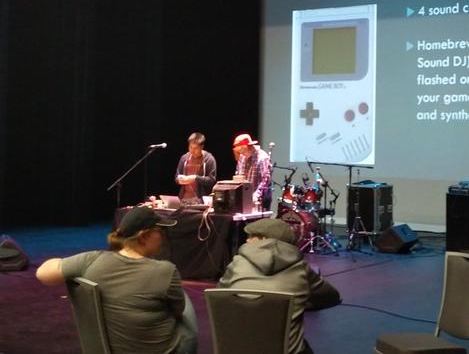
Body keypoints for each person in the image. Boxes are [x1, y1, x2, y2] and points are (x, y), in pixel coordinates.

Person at [36, 206, 198, 354]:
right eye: (161, 231)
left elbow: (43, 273)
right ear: (144, 236)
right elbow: (178, 311)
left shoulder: (91, 260)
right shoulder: (165, 271)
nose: (164, 236)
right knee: (183, 299)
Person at [217, 218, 341, 354]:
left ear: (264, 239)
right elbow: (331, 297)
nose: (247, 240)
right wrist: (301, 302)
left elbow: (219, 295)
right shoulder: (301, 268)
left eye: (251, 236)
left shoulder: (237, 264)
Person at [232, 133, 272, 210]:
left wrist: (256, 195)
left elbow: (265, 181)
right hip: (245, 199)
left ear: (247, 147)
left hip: (260, 200)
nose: (241, 154)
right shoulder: (242, 157)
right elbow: (238, 174)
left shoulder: (262, 158)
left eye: (242, 151)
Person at [175, 132, 217, 204]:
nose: (192, 151)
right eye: (190, 147)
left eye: (195, 148)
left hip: (200, 201)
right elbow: (176, 177)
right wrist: (179, 179)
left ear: (202, 147)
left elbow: (211, 180)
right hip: (184, 199)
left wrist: (196, 178)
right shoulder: (184, 158)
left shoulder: (209, 159)